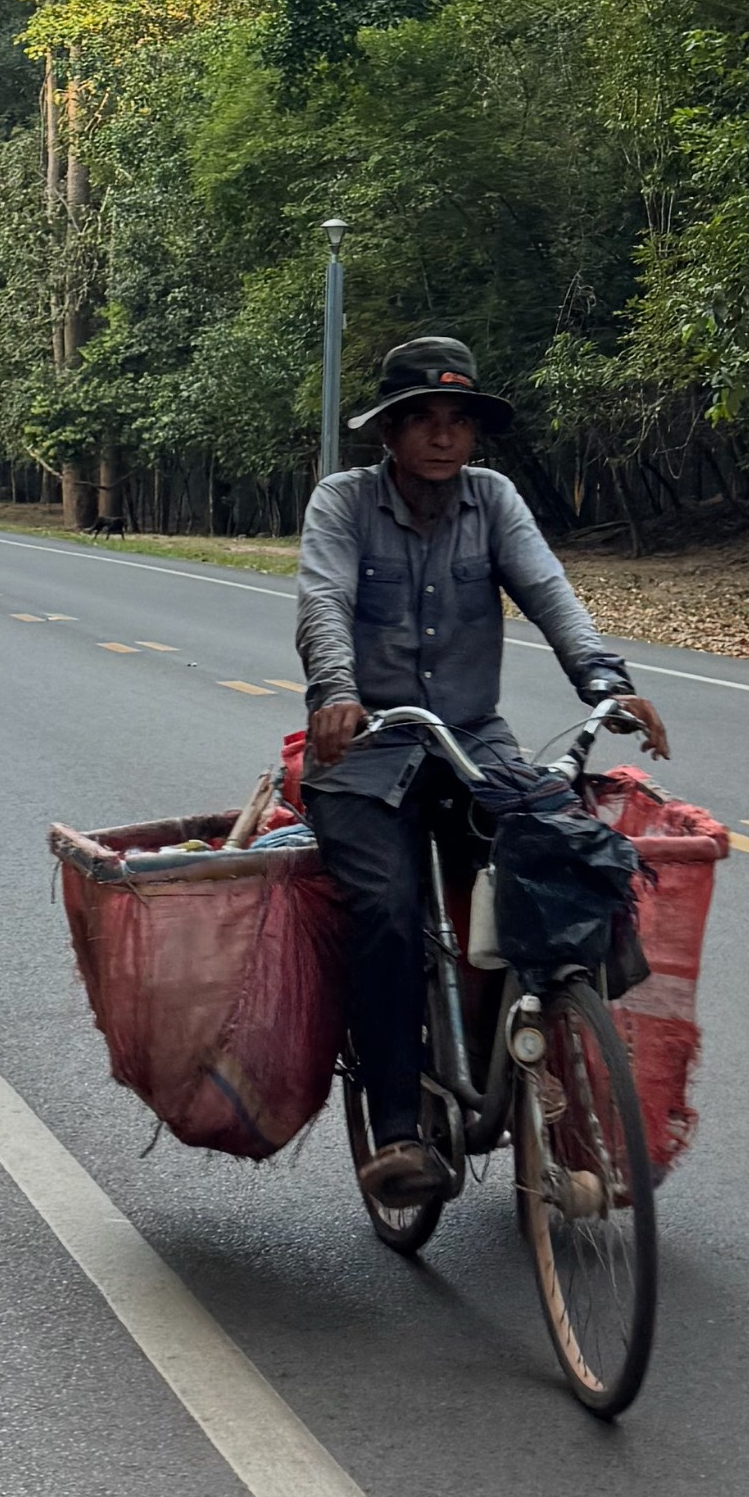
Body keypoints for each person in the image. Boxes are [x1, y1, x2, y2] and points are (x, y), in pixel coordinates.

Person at [296, 333, 668, 1210]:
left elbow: (550, 593)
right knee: (387, 914)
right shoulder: (342, 503)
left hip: (475, 744)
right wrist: (338, 694)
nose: (441, 436)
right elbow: (324, 603)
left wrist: (606, 685)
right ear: (388, 431)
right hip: (370, 752)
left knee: (568, 863)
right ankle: (395, 1127)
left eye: (457, 421)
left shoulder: (493, 501)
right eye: (420, 419)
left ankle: (558, 1079)